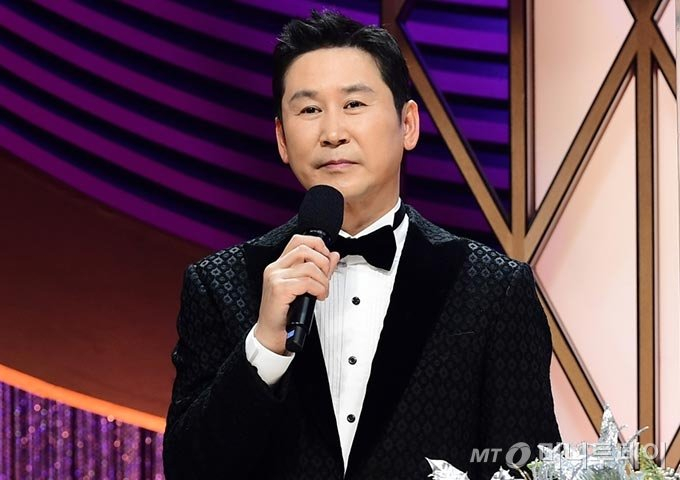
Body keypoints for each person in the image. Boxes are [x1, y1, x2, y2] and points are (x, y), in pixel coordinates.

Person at [162, 10, 561, 480]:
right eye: (309, 110)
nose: (333, 133)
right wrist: (265, 346)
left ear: (407, 124)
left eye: (354, 104)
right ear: (282, 139)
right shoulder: (218, 284)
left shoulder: (494, 289)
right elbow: (189, 470)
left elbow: (528, 467)